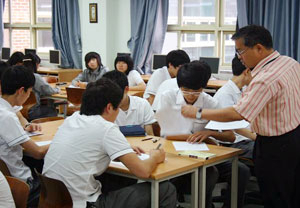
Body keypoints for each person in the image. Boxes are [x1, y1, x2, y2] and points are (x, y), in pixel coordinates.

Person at [181, 25, 300, 208]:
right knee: (290, 193)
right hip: (293, 135)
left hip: (276, 146)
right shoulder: (289, 62)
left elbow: (238, 113)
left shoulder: (264, 78)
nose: (239, 57)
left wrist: (197, 112)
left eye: (241, 51)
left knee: (275, 196)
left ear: (259, 48)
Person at [42, 78, 176, 208]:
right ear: (109, 107)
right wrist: (155, 157)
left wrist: (122, 150)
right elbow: (143, 171)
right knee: (165, 189)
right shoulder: (106, 128)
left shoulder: (72, 119)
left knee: (117, 181)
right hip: (85, 203)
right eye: (117, 108)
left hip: (53, 201)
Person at [156, 61, 250, 208]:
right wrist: (193, 137)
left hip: (203, 154)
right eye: (186, 90)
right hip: (174, 153)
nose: (191, 95)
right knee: (209, 173)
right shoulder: (168, 97)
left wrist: (209, 133)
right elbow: (166, 134)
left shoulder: (210, 103)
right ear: (179, 86)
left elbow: (230, 136)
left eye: (197, 91)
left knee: (240, 170)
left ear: (203, 87)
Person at [0, 65, 50, 206]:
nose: (29, 96)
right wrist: (60, 140)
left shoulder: (4, 108)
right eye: (29, 92)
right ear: (21, 91)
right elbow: (38, 153)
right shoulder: (6, 116)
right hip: (21, 181)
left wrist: (26, 126)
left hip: (6, 177)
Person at [213, 56, 256, 159]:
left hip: (247, 138)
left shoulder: (243, 89)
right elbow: (233, 126)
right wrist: (256, 137)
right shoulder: (225, 94)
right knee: (271, 151)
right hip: (236, 142)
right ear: (247, 72)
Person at [103, 70, 156, 135]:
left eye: (116, 96)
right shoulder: (104, 108)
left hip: (140, 144)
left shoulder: (143, 104)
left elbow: (150, 135)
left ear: (126, 89)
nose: (112, 100)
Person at [23, 53, 60, 120]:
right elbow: (48, 90)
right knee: (51, 110)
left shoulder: (19, 75)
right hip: (32, 111)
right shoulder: (35, 77)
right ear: (35, 64)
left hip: (19, 110)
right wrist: (57, 89)